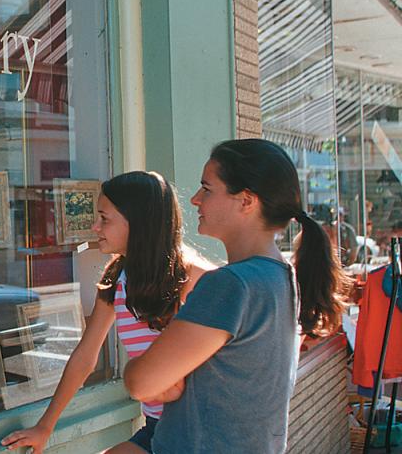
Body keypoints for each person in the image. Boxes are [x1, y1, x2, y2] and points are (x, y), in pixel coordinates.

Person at [124, 139, 349, 453]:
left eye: (207, 188)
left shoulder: (231, 284)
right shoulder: (283, 276)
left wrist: (142, 369)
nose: (194, 199)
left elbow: (141, 383)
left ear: (246, 200)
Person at [0, 171, 213, 453]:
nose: (95, 226)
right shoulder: (117, 278)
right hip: (157, 427)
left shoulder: (198, 280)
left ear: (138, 223)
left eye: (104, 218)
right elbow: (85, 357)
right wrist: (45, 427)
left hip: (200, 435)